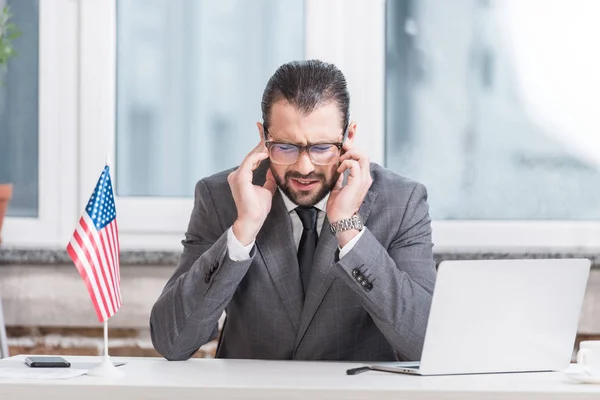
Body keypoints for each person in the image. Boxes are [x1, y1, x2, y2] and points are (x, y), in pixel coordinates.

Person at [150, 60, 437, 361]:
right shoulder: (222, 196)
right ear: (263, 136)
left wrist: (349, 230)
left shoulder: (401, 201)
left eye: (322, 147)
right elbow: (173, 341)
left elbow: (424, 343)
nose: (304, 167)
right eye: (285, 147)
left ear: (348, 137)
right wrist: (242, 231)